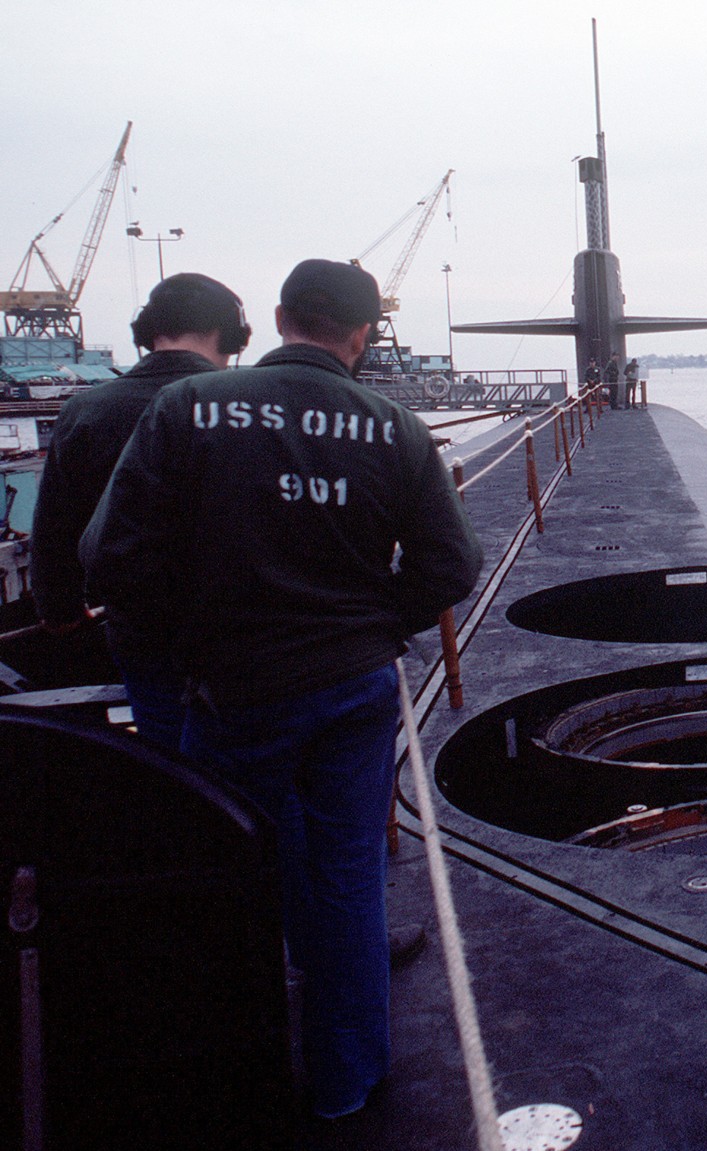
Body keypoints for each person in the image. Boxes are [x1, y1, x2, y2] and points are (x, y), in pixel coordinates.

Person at [82, 258, 484, 1119]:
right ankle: (346, 1084)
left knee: (225, 871)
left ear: (276, 318)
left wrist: (183, 643)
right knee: (346, 884)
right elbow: (452, 563)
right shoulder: (395, 426)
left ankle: (236, 1078)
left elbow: (107, 556)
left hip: (233, 689)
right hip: (353, 685)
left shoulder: (183, 410)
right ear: (363, 333)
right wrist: (376, 621)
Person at [31, 272, 251, 751]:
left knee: (175, 771)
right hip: (246, 635)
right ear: (228, 336)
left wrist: (62, 612)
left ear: (149, 332)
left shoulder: (86, 410)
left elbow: (54, 533)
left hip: (141, 632)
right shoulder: (251, 406)